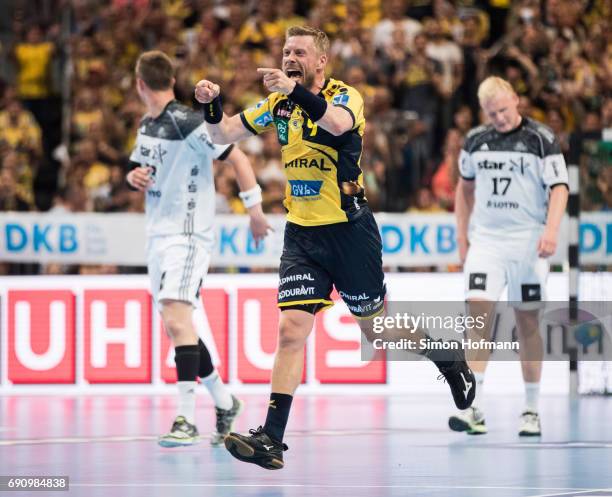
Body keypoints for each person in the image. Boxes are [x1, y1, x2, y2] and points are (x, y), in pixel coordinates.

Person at [195, 26, 475, 470]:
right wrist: (211, 105)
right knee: (291, 331)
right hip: (302, 235)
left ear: (320, 61)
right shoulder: (277, 104)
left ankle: (445, 355)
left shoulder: (347, 96)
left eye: (299, 51)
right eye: (286, 50)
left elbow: (337, 124)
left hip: (349, 230)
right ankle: (271, 438)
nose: (289, 56)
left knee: (376, 331)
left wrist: (291, 89)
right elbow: (221, 135)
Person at [127, 50, 271, 447]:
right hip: (156, 236)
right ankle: (225, 403)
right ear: (169, 80)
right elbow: (136, 166)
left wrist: (254, 210)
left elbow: (236, 156)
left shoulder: (189, 122)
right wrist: (133, 176)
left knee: (176, 321)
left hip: (188, 236)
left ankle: (185, 419)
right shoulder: (146, 123)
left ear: (140, 84)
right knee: (183, 327)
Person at [453, 76, 569, 437]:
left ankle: (531, 409)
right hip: (487, 240)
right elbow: (464, 189)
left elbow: (560, 188)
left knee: (527, 323)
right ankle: (475, 408)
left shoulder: (541, 139)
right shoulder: (475, 140)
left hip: (528, 240)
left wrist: (551, 231)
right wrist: (462, 237)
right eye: (492, 113)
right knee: (477, 320)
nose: (500, 117)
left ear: (516, 100)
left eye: (504, 109)